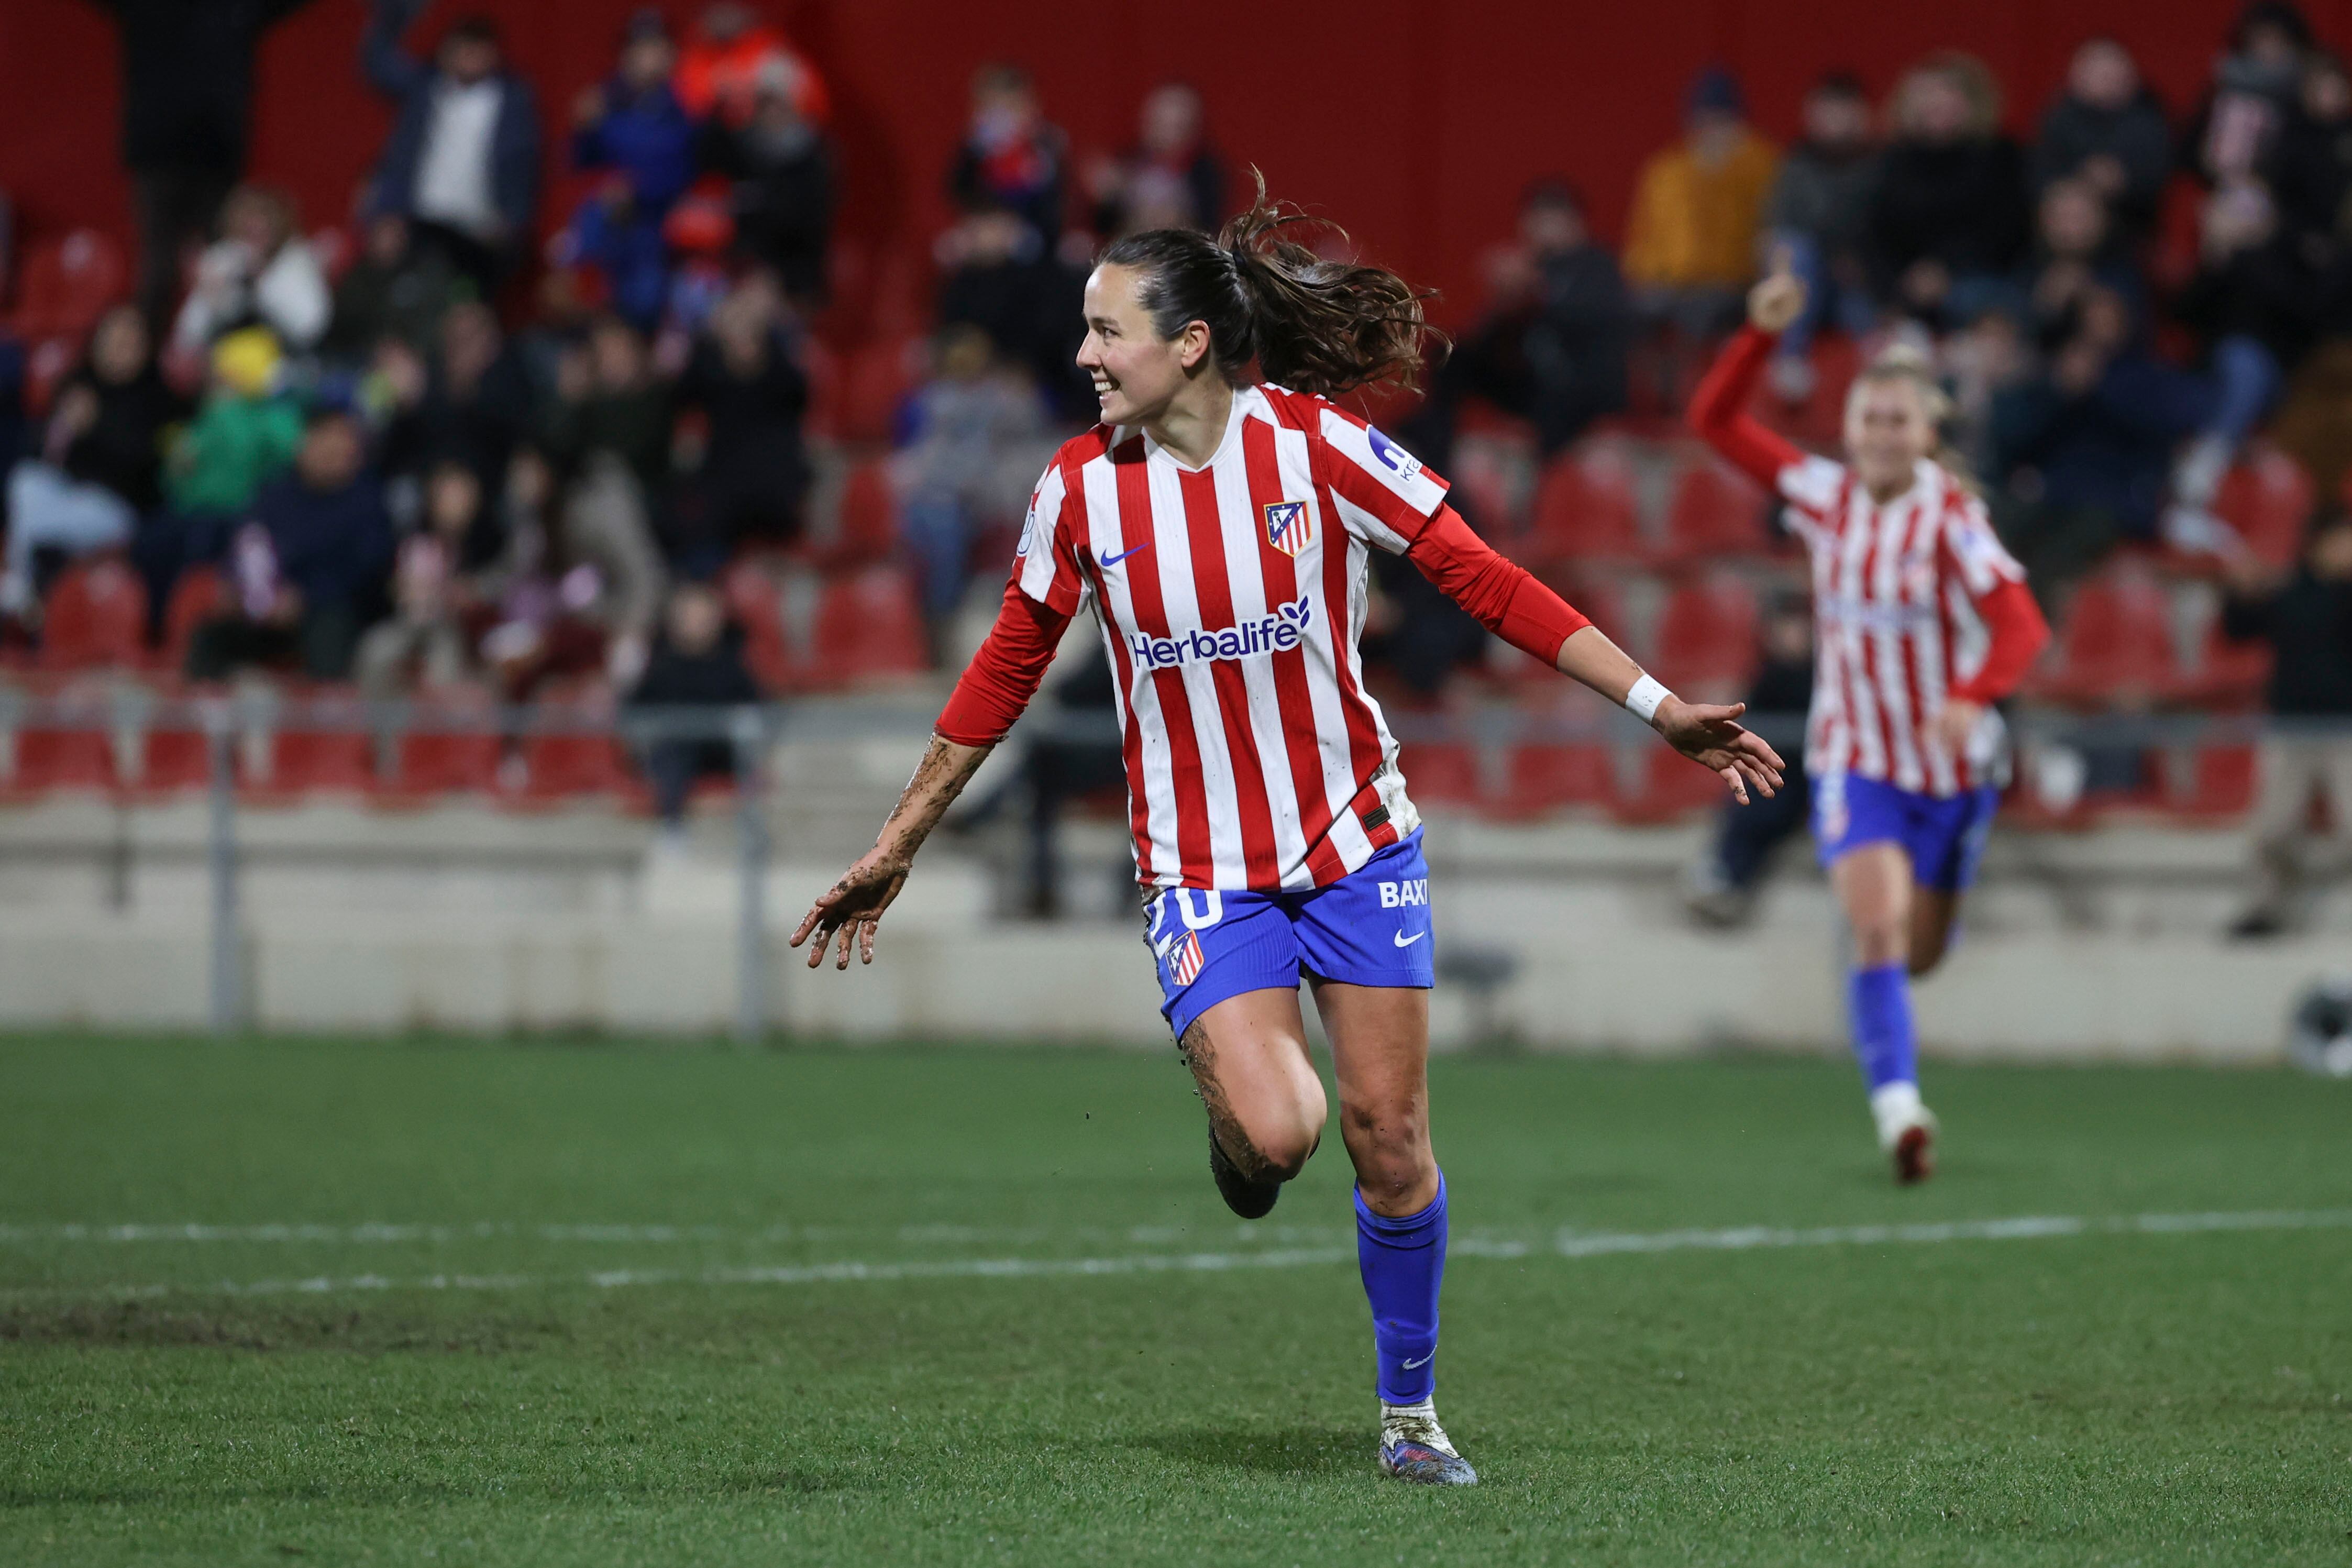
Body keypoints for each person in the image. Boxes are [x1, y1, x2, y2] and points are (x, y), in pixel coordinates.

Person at [790, 181, 1784, 1486]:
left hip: (1355, 843)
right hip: (1202, 868)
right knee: (1276, 1137)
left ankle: (1410, 1416)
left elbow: (1481, 575)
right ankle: (1229, 1108)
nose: (1082, 354)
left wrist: (1659, 707)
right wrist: (899, 839)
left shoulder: (1314, 449)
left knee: (1389, 1136)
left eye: (1106, 330)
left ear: (1188, 341)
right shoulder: (1078, 491)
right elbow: (1004, 666)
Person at [1690, 261, 2050, 1183]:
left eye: (1900, 420)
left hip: (1954, 771)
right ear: (1850, 429)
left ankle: (1953, 873)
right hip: (1857, 757)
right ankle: (1900, 1113)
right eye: (1870, 419)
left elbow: (2021, 622)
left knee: (1923, 950)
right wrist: (1759, 334)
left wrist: (1970, 692)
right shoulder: (1824, 495)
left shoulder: (1952, 519)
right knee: (1879, 928)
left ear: (1928, 432)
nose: (1883, 434)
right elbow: (1715, 423)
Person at [85, 0, 324, 326]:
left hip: (217, 156)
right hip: (159, 155)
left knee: (227, 266)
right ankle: (147, 363)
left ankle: (221, 356)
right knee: (158, 270)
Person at [1407, 179, 1629, 471]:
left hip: (1579, 387)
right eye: (1536, 216)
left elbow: (1597, 323)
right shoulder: (1530, 266)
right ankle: (1428, 440)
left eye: (1553, 216)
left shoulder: (1597, 265)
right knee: (1450, 355)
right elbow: (1488, 337)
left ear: (1576, 222)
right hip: (1533, 383)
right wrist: (1504, 303)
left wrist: (1536, 290)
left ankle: (1543, 480)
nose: (1542, 226)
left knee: (1556, 405)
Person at [2, 304, 185, 617]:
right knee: (26, 481)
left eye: (130, 342)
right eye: (112, 340)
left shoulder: (158, 398)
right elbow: (40, 453)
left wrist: (96, 426)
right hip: (65, 496)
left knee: (50, 524)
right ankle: (33, 578)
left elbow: (144, 463)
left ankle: (31, 581)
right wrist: (61, 427)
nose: (120, 349)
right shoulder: (78, 385)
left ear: (147, 348)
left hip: (115, 507)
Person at [186, 409, 394, 681]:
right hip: (265, 610)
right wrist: (235, 584)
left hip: (329, 611)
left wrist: (304, 597)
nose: (330, 453)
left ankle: (321, 718)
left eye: (340, 446)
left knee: (330, 635)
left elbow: (367, 570)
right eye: (322, 442)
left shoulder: (368, 502)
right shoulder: (275, 493)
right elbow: (245, 542)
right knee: (210, 638)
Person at [2218, 514, 2352, 937]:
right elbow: (2238, 630)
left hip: (2345, 730)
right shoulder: (2288, 592)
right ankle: (2264, 909)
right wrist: (2239, 592)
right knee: (2272, 830)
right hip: (2291, 728)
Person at [890, 324, 1053, 658]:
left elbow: (1036, 428)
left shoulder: (1005, 400)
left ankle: (967, 632)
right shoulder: (930, 402)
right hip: (937, 502)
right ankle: (937, 629)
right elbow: (913, 460)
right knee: (935, 526)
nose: (967, 362)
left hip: (983, 502)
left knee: (962, 528)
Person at [360, 0, 543, 293]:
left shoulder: (513, 100)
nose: (470, 56)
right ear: (447, 50)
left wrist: (513, 222)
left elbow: (524, 163)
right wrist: (393, 13)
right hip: (422, 222)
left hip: (480, 231)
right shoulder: (425, 87)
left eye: (479, 48)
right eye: (463, 47)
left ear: (495, 53)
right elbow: (377, 64)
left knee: (469, 310)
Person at [1622, 64, 1780, 393]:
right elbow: (1643, 241)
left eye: (1722, 121)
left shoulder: (1759, 165)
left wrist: (1718, 176)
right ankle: (1643, 402)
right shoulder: (1666, 171)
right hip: (1670, 282)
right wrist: (1647, 276)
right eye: (1705, 120)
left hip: (1728, 282)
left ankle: (1688, 403)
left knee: (1700, 313)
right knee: (1631, 312)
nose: (1712, 130)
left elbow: (1746, 239)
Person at [1867, 53, 2031, 330]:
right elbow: (1874, 236)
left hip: (1980, 277)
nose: (1938, 102)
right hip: (1905, 284)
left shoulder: (2001, 155)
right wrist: (1902, 284)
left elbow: (2007, 231)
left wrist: (1945, 272)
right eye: (1928, 94)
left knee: (1978, 302)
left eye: (1949, 93)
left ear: (1973, 101)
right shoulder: (1890, 162)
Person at [1685, 593, 1815, 928]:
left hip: (1815, 778)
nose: (1792, 635)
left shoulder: (1824, 676)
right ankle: (1723, 879)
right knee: (1753, 804)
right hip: (1781, 777)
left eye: (1798, 626)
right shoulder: (1769, 673)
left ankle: (1726, 877)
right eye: (1784, 627)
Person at [1761, 72, 1883, 401]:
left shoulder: (1879, 166)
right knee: (1794, 249)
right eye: (1825, 111)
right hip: (1808, 281)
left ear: (1862, 115)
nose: (1833, 120)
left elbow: (1880, 230)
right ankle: (1789, 358)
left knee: (1859, 293)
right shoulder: (1795, 166)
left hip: (1857, 280)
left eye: (1842, 110)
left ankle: (1882, 372)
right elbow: (1781, 228)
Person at [627, 579, 763, 835]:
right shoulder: (660, 667)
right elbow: (637, 712)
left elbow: (756, 708)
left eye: (704, 616)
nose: (698, 623)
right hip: (677, 753)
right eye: (690, 616)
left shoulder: (733, 664)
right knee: (672, 753)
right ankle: (672, 829)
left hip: (720, 750)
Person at [2028, 39, 2174, 247]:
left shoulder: (2151, 122)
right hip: (2054, 239)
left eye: (2112, 73)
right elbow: (2039, 175)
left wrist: (2123, 181)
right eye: (2097, 72)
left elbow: (2162, 177)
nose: (2105, 80)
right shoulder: (2057, 121)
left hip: (2130, 234)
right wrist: (2079, 182)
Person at [170, 184, 333, 358]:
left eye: (264, 217)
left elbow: (310, 328)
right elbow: (187, 336)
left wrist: (260, 281)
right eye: (248, 219)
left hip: (289, 363)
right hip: (226, 366)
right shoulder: (223, 259)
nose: (256, 226)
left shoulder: (297, 260)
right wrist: (211, 297)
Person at [948, 64, 1070, 250]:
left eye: (1010, 107)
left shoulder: (1046, 152)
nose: (1001, 118)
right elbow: (957, 191)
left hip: (1037, 250)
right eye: (991, 108)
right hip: (980, 243)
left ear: (1032, 108)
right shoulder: (973, 153)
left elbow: (1055, 209)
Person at [1087, 82, 1226, 239]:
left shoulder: (1206, 175)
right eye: (1158, 123)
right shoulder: (1126, 163)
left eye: (1176, 126)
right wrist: (1105, 198)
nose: (1165, 135)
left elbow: (1209, 226)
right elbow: (1102, 225)